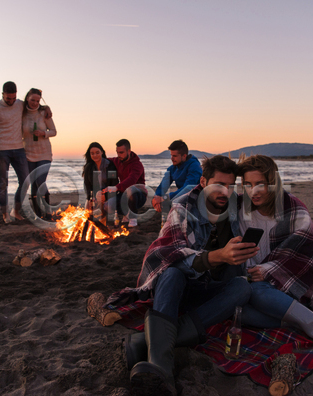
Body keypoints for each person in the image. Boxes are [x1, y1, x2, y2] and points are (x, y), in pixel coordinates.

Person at [107, 155, 255, 395]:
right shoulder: (183, 205)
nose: (224, 192)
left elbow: (269, 198)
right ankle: (162, 369)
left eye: (230, 186)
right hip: (182, 289)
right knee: (172, 273)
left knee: (243, 288)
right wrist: (219, 256)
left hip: (212, 289)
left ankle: (146, 343)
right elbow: (172, 252)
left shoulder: (236, 205)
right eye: (218, 184)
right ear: (204, 181)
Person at [237, 154, 313, 372]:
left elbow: (303, 252)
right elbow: (203, 194)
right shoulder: (239, 210)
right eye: (247, 184)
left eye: (260, 184)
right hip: (252, 282)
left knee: (256, 292)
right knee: (239, 312)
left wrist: (267, 270)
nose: (253, 191)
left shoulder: (293, 209)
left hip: (290, 285)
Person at [0, 82, 52, 223]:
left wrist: (46, 107)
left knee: (26, 181)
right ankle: (5, 214)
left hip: (19, 150)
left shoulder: (20, 105)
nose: (11, 101)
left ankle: (15, 211)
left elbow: (34, 105)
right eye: (8, 98)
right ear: (2, 94)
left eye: (13, 98)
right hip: (1, 150)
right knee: (3, 183)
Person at [21, 88, 57, 219]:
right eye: (32, 100)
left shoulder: (43, 113)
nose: (35, 103)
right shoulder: (22, 113)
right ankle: (37, 213)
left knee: (40, 181)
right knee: (33, 183)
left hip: (44, 153)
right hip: (28, 153)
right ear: (27, 99)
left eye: (37, 101)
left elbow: (54, 131)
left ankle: (47, 212)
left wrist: (43, 133)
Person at [103, 139, 147, 227]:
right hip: (124, 193)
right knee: (108, 206)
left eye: (121, 152)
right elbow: (103, 160)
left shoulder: (137, 165)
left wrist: (115, 187)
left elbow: (131, 180)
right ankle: (126, 213)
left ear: (129, 151)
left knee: (131, 189)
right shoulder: (118, 161)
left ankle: (133, 218)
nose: (119, 155)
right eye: (117, 152)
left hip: (138, 195)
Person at [152, 140, 202, 212]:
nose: (171, 158)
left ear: (184, 156)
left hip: (196, 201)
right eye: (171, 155)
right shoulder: (173, 168)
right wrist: (157, 197)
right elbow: (163, 185)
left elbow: (188, 188)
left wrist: (166, 197)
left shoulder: (195, 166)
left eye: (175, 156)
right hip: (181, 200)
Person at [82, 142, 118, 218]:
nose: (95, 155)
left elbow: (114, 184)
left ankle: (104, 215)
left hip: (109, 193)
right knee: (88, 211)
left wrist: (105, 196)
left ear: (102, 152)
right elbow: (87, 185)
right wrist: (90, 198)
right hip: (95, 194)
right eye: (92, 153)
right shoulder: (88, 167)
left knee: (107, 207)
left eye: (97, 152)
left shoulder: (110, 165)